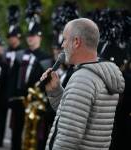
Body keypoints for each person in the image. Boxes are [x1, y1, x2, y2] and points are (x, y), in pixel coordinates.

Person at [40, 18, 125, 150]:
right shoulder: (100, 74)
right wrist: (56, 91)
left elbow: (68, 138)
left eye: (65, 39)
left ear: (76, 42)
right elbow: (74, 116)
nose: (62, 45)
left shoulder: (83, 79)